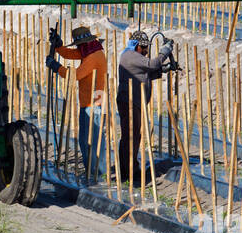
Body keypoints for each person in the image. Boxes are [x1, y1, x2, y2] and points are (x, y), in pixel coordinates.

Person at [46, 25, 108, 180]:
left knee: (92, 142)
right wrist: (59, 46)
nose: (79, 49)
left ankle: (97, 174)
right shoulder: (89, 51)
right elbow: (71, 54)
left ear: (85, 43)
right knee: (84, 140)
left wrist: (56, 67)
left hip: (94, 104)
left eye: (79, 45)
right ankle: (91, 172)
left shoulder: (94, 57)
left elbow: (75, 75)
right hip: (87, 102)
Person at [115, 31, 175, 183]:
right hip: (128, 101)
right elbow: (152, 64)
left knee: (134, 135)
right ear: (137, 46)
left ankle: (130, 168)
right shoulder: (129, 55)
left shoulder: (134, 57)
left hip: (134, 101)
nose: (146, 51)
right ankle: (127, 171)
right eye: (144, 48)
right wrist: (165, 51)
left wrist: (164, 69)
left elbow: (145, 73)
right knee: (130, 136)